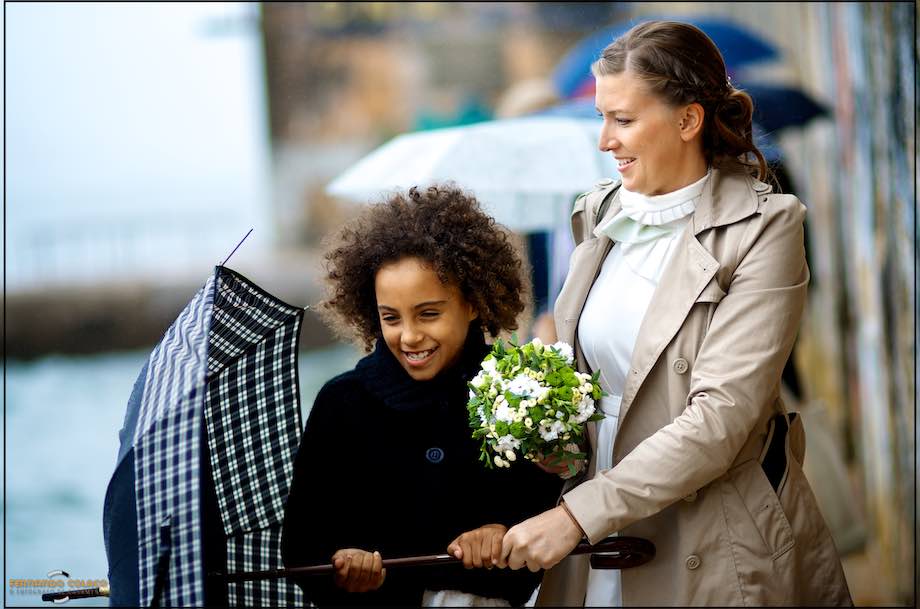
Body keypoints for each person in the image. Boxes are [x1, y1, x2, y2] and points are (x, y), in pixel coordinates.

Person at [495, 20, 853, 606]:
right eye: (602, 119)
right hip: (593, 541)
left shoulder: (766, 227)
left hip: (709, 536)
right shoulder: (596, 211)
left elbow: (721, 418)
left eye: (624, 120)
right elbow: (596, 377)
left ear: (688, 120)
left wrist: (577, 517)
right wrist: (544, 427)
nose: (604, 140)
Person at [281, 184, 563, 606]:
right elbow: (302, 547)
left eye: (429, 313)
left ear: (472, 303)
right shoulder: (341, 403)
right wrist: (341, 565)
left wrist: (503, 534)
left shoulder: (519, 390)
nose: (409, 336)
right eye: (390, 318)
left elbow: (550, 511)